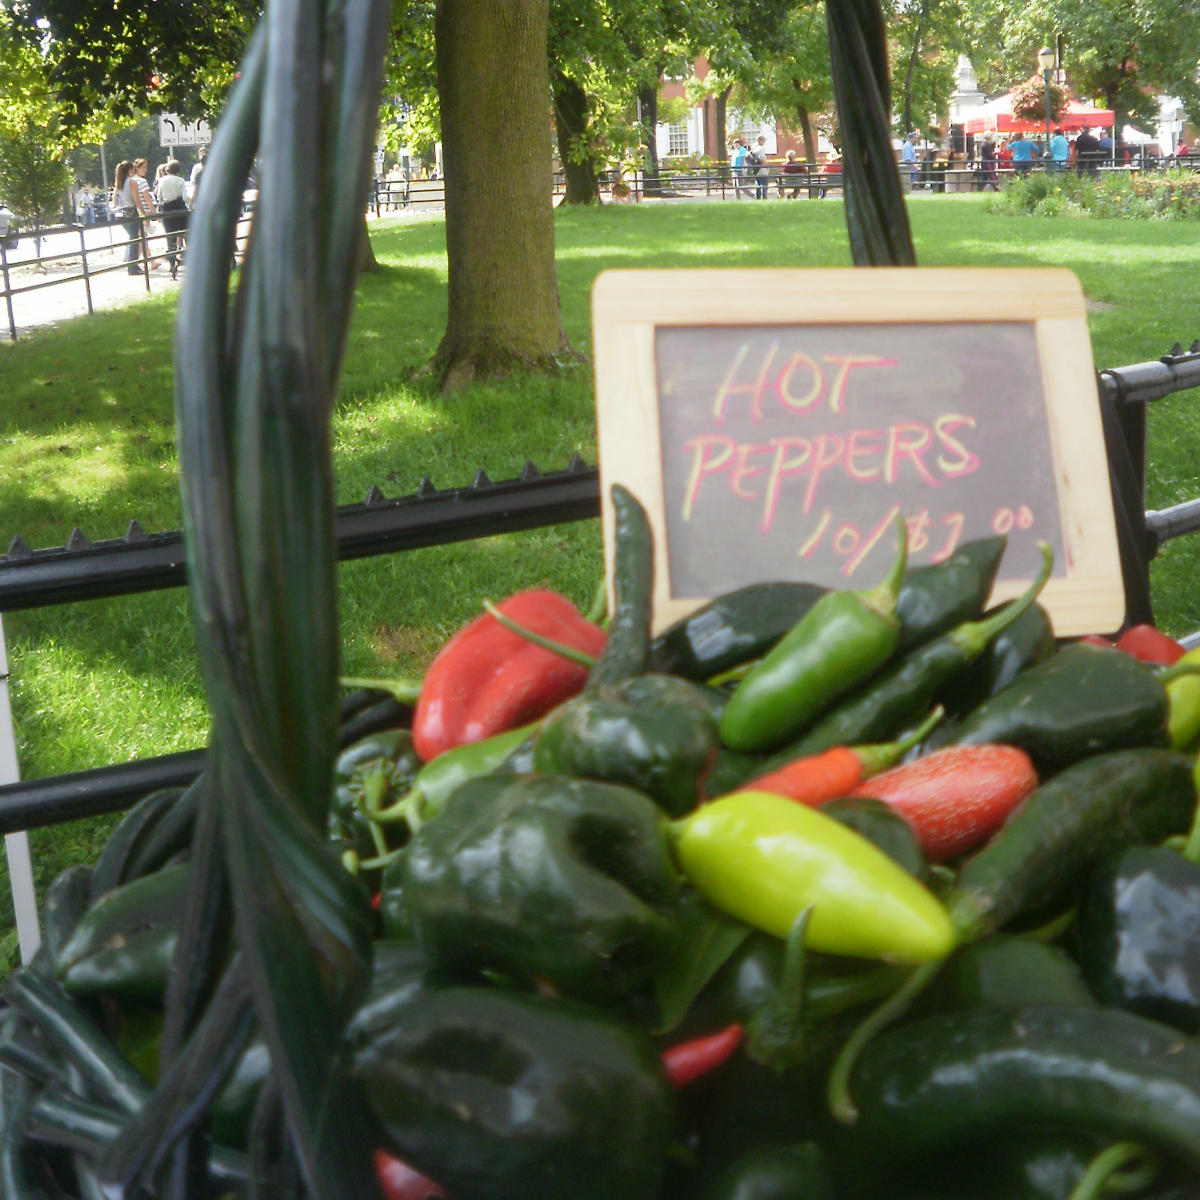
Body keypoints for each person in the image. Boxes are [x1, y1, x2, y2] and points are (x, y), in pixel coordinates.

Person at [155, 159, 189, 279]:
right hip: (179, 208)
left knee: (170, 236)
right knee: (186, 233)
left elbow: (158, 196)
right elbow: (185, 197)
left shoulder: (161, 181)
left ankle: (172, 262)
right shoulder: (180, 181)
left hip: (167, 209)